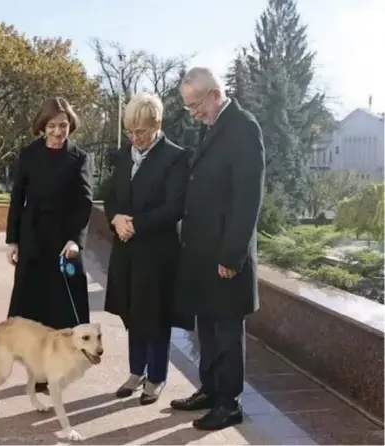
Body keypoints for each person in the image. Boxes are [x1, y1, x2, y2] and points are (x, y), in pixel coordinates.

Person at [170, 68, 265, 430]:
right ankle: (209, 390)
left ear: (214, 94)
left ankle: (229, 402)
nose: (194, 113)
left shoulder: (243, 127)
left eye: (196, 105)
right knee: (206, 327)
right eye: (189, 107)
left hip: (225, 255)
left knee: (226, 330)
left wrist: (232, 255)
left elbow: (248, 197)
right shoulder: (213, 126)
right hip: (202, 253)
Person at [103, 92, 193, 405]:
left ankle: (156, 377)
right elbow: (110, 195)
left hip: (156, 253)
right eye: (131, 131)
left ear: (157, 125)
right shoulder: (124, 155)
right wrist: (115, 218)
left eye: (141, 131)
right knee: (132, 311)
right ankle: (135, 371)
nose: (135, 138)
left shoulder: (175, 157)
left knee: (155, 317)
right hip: (126, 249)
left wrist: (135, 225)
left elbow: (175, 207)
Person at [5, 97, 93, 392]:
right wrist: (13, 240)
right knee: (33, 308)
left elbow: (84, 204)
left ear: (71, 126)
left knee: (62, 309)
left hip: (63, 243)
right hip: (33, 240)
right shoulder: (29, 155)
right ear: (42, 127)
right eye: (52, 126)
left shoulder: (79, 158)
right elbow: (17, 199)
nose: (58, 132)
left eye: (64, 126)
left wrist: (76, 241)